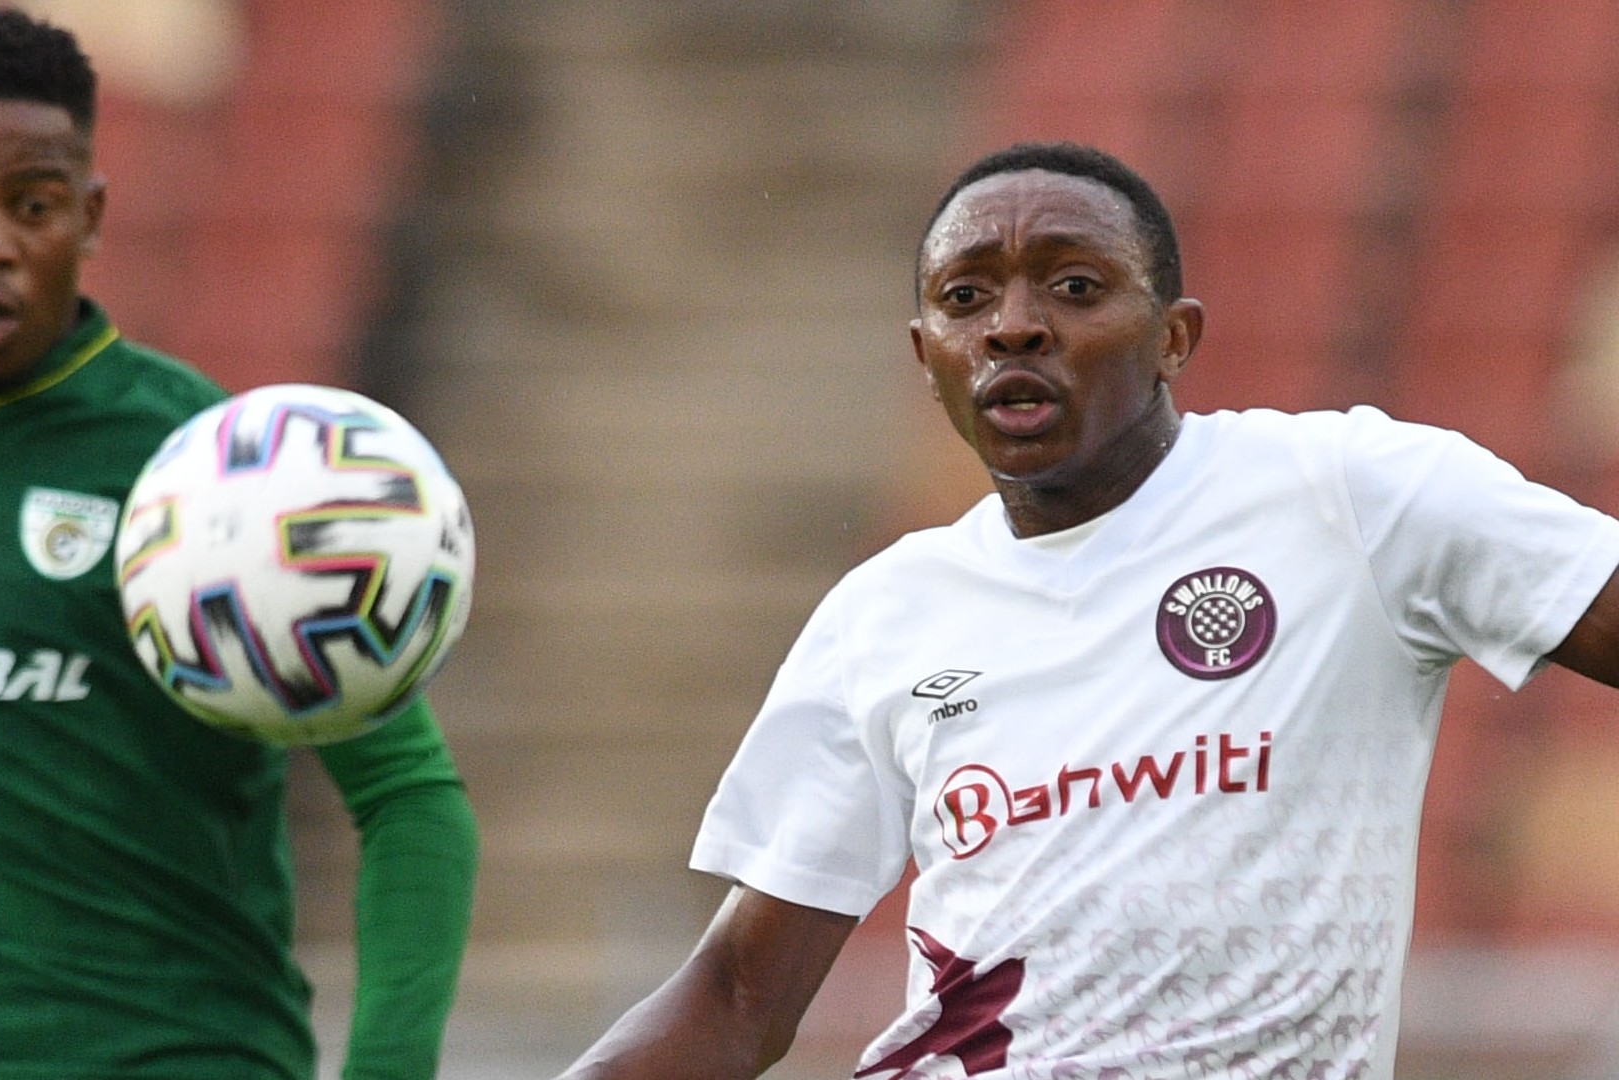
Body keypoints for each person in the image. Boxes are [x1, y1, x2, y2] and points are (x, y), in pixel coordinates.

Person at [553, 140, 1619, 1079]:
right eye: (966, 298)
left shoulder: (1349, 496)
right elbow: (739, 997)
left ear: (1174, 338)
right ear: (927, 358)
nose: (1014, 327)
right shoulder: (884, 613)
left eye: (1073, 286)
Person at [0, 8, 478, 1079]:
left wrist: (386, 1069)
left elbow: (408, 797)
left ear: (89, 214)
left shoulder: (214, 478)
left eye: (32, 204)